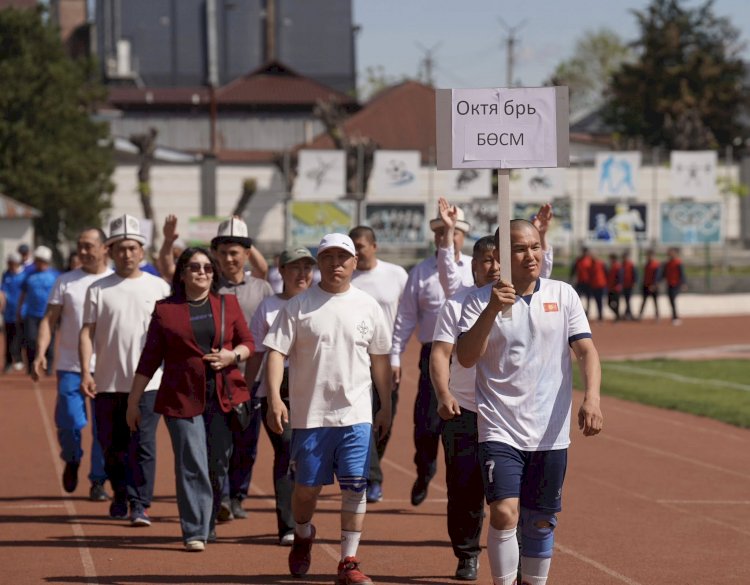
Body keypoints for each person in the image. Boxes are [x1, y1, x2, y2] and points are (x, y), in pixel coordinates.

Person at [456, 219, 603, 585]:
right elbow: (467, 357)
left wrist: (592, 398)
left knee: (540, 521)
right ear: (501, 256)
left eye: (535, 246)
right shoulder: (478, 300)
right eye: (520, 249)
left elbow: (586, 350)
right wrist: (492, 309)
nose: (531, 255)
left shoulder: (563, 294)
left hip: (550, 430)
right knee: (504, 513)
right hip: (500, 426)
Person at [430, 202, 554, 582]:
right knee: (465, 491)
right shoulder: (459, 303)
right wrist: (443, 393)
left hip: (509, 415)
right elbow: (441, 353)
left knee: (511, 501)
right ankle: (467, 554)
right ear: (474, 265)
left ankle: (519, 562)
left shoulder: (523, 297)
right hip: (467, 411)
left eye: (495, 260)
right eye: (485, 260)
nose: (493, 268)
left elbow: (542, 274)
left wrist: (541, 234)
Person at [264, 233, 392, 585]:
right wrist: (274, 397)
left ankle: (348, 561)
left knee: (355, 486)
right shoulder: (298, 306)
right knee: (306, 491)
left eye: (343, 257)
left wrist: (385, 406)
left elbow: (380, 360)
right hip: (311, 415)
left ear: (354, 262)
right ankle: (303, 533)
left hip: (356, 414)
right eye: (329, 257)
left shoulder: (368, 305)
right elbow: (275, 352)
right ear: (319, 262)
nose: (336, 264)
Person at [128, 247, 253, 551]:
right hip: (180, 397)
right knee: (191, 461)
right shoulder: (165, 310)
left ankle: (208, 522)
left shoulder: (228, 304)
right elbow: (150, 358)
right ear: (182, 273)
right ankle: (195, 530)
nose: (202, 272)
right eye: (195, 267)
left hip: (223, 396)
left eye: (207, 268)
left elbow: (248, 342)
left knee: (217, 464)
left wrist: (232, 356)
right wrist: (134, 400)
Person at [79, 214, 171, 525]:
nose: (127, 253)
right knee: (111, 446)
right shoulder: (98, 289)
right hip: (107, 382)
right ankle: (120, 493)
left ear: (141, 251)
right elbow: (86, 332)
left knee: (143, 444)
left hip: (149, 384)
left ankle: (140, 503)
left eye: (132, 248)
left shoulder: (159, 287)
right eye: (120, 248)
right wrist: (86, 372)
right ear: (111, 251)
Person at [391, 204, 472, 507]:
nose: (445, 237)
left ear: (463, 235)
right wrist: (395, 355)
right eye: (439, 232)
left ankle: (462, 487)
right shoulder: (420, 272)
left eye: (451, 232)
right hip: (431, 355)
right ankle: (425, 470)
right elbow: (405, 317)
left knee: (464, 423)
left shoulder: (477, 268)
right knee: (426, 425)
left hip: (466, 355)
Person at [31, 229, 112, 501]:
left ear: (104, 248)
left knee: (103, 427)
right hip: (70, 365)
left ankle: (99, 480)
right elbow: (48, 320)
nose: (83, 251)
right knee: (69, 422)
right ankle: (72, 457)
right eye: (80, 246)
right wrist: (40, 353)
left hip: (106, 367)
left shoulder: (115, 282)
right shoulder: (65, 281)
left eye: (89, 246)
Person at [244, 246, 316, 545]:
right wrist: (246, 391)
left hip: (313, 389)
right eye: (295, 267)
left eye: (307, 267)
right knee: (286, 449)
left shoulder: (321, 303)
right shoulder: (269, 307)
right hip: (276, 389)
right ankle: (288, 525)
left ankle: (303, 519)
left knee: (309, 456)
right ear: (281, 271)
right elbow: (257, 354)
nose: (302, 273)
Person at [211, 216, 273, 521]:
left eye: (235, 252)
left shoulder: (262, 288)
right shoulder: (208, 286)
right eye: (223, 253)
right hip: (217, 378)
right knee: (219, 442)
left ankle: (238, 496)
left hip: (253, 378)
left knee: (246, 444)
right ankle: (221, 497)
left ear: (246, 254)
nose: (229, 259)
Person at [349, 225, 408, 504]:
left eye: (360, 246)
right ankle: (372, 478)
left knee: (385, 417)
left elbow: (406, 318)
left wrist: (396, 356)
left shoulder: (396, 275)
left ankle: (370, 468)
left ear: (374, 246)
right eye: (352, 247)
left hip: (386, 360)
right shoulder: (345, 277)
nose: (356, 252)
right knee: (362, 419)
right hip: (354, 361)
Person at [17, 246, 60, 375]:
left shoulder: (55, 275)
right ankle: (31, 365)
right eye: (38, 260)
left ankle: (48, 366)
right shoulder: (29, 275)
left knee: (50, 341)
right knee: (30, 339)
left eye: (43, 261)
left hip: (49, 314)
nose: (40, 263)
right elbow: (23, 293)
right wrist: (19, 309)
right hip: (31, 314)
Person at [1, 253, 25, 372]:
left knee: (19, 336)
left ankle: (19, 358)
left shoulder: (24, 275)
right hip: (8, 311)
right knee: (8, 337)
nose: (10, 265)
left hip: (21, 311)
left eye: (12, 263)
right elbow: (2, 292)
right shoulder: (6, 275)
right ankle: (8, 362)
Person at [663, 247, 686, 325]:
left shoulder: (678, 262)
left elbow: (682, 273)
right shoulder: (667, 263)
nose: (670, 254)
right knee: (671, 301)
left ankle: (675, 317)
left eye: (671, 252)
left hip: (676, 284)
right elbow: (663, 273)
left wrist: (683, 283)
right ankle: (674, 316)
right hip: (669, 284)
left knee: (672, 299)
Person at [638, 249, 661, 321]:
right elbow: (645, 275)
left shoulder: (656, 264)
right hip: (646, 285)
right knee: (644, 301)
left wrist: (654, 285)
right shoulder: (647, 264)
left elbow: (657, 276)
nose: (648, 257)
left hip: (653, 286)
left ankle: (657, 316)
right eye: (647, 255)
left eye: (650, 255)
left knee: (655, 302)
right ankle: (640, 315)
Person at [570, 247, 592, 314]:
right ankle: (580, 310)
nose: (585, 253)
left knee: (588, 298)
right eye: (584, 252)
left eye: (586, 252)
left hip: (588, 282)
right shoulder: (578, 260)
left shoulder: (590, 260)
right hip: (580, 282)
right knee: (577, 297)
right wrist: (571, 278)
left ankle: (587, 311)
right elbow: (573, 270)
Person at [588, 252, 607, 322]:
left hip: (601, 285)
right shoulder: (591, 265)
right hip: (594, 285)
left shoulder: (601, 264)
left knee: (600, 301)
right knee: (597, 301)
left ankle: (600, 316)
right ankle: (600, 315)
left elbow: (606, 273)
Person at [620, 250, 637, 320]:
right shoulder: (622, 265)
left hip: (629, 285)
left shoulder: (631, 264)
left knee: (628, 299)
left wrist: (634, 282)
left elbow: (635, 274)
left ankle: (628, 314)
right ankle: (628, 313)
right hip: (623, 285)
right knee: (626, 300)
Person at [606, 252, 622, 321]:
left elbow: (620, 277)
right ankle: (618, 315)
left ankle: (618, 317)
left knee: (616, 303)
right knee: (609, 303)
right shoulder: (611, 266)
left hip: (616, 288)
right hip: (611, 288)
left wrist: (618, 285)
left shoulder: (617, 266)